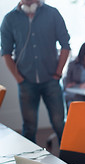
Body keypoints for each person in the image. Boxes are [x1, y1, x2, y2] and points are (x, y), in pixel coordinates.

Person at [0, 0, 70, 143]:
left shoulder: (53, 14)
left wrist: (58, 73)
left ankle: (71, 161)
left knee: (60, 124)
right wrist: (18, 78)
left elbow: (65, 45)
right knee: (29, 127)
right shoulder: (9, 19)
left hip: (52, 79)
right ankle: (30, 163)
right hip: (26, 82)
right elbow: (6, 53)